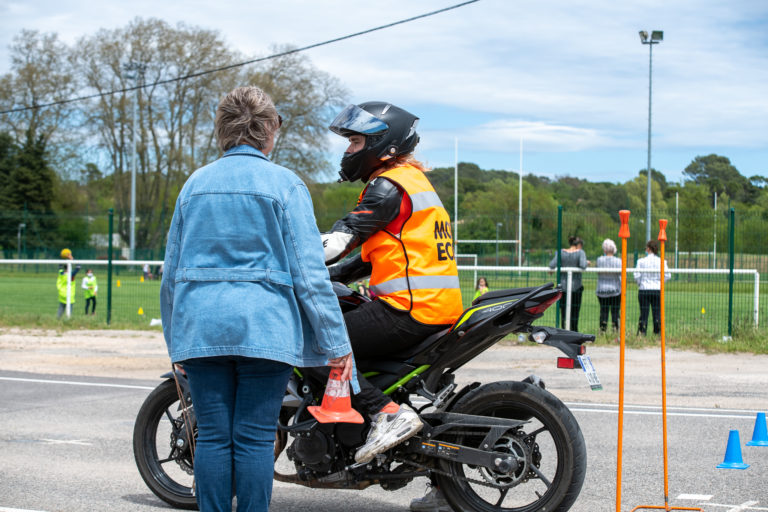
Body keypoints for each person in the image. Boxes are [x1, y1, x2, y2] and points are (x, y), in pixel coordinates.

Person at [160, 86, 355, 512]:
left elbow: (171, 272)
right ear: (269, 130)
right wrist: (337, 345)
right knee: (252, 436)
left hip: (202, 326)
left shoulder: (195, 185)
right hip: (266, 329)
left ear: (223, 130)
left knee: (212, 435)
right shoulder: (285, 184)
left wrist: (175, 340)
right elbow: (309, 274)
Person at [322, 101, 464, 466]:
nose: (348, 151)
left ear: (382, 146)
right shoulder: (413, 183)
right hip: (434, 308)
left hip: (407, 309)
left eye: (354, 142)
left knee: (317, 346)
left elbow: (344, 237)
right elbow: (365, 259)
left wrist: (294, 257)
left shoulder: (387, 187)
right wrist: (326, 274)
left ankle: (384, 412)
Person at [548, 236, 588, 332]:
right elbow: (583, 265)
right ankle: (574, 331)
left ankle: (564, 330)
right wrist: (587, 262)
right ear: (578, 245)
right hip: (576, 286)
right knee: (575, 311)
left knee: (564, 311)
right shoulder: (580, 252)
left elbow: (552, 265)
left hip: (563, 286)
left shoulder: (561, 252)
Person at [634, 239, 671, 336]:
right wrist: (660, 282)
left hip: (644, 289)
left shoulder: (641, 261)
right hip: (657, 289)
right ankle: (657, 333)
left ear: (648, 249)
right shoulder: (661, 261)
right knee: (657, 313)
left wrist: (640, 283)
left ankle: (642, 333)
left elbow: (636, 275)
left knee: (644, 313)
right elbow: (667, 275)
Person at [596, 239, 621, 334]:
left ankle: (602, 331)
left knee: (604, 311)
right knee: (615, 312)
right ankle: (616, 331)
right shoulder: (618, 261)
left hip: (602, 289)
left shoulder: (599, 260)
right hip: (615, 289)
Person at [56, 248, 80, 319]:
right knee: (69, 311)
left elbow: (60, 266)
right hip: (69, 295)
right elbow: (78, 267)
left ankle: (57, 321)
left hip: (62, 295)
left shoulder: (61, 273)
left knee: (60, 310)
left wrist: (62, 257)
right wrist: (72, 258)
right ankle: (68, 320)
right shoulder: (71, 275)